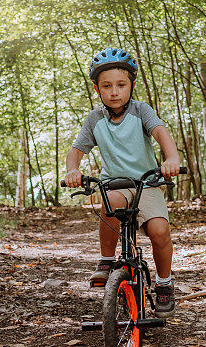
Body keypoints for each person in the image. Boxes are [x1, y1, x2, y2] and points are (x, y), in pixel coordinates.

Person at [63, 47, 181, 318]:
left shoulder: (141, 111)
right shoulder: (94, 119)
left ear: (131, 86)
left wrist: (171, 158)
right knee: (110, 202)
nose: (114, 91)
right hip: (114, 184)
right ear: (97, 89)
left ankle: (164, 284)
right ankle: (106, 261)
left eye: (120, 85)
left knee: (160, 231)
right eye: (107, 86)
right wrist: (72, 170)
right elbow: (77, 150)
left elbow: (160, 132)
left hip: (147, 184)